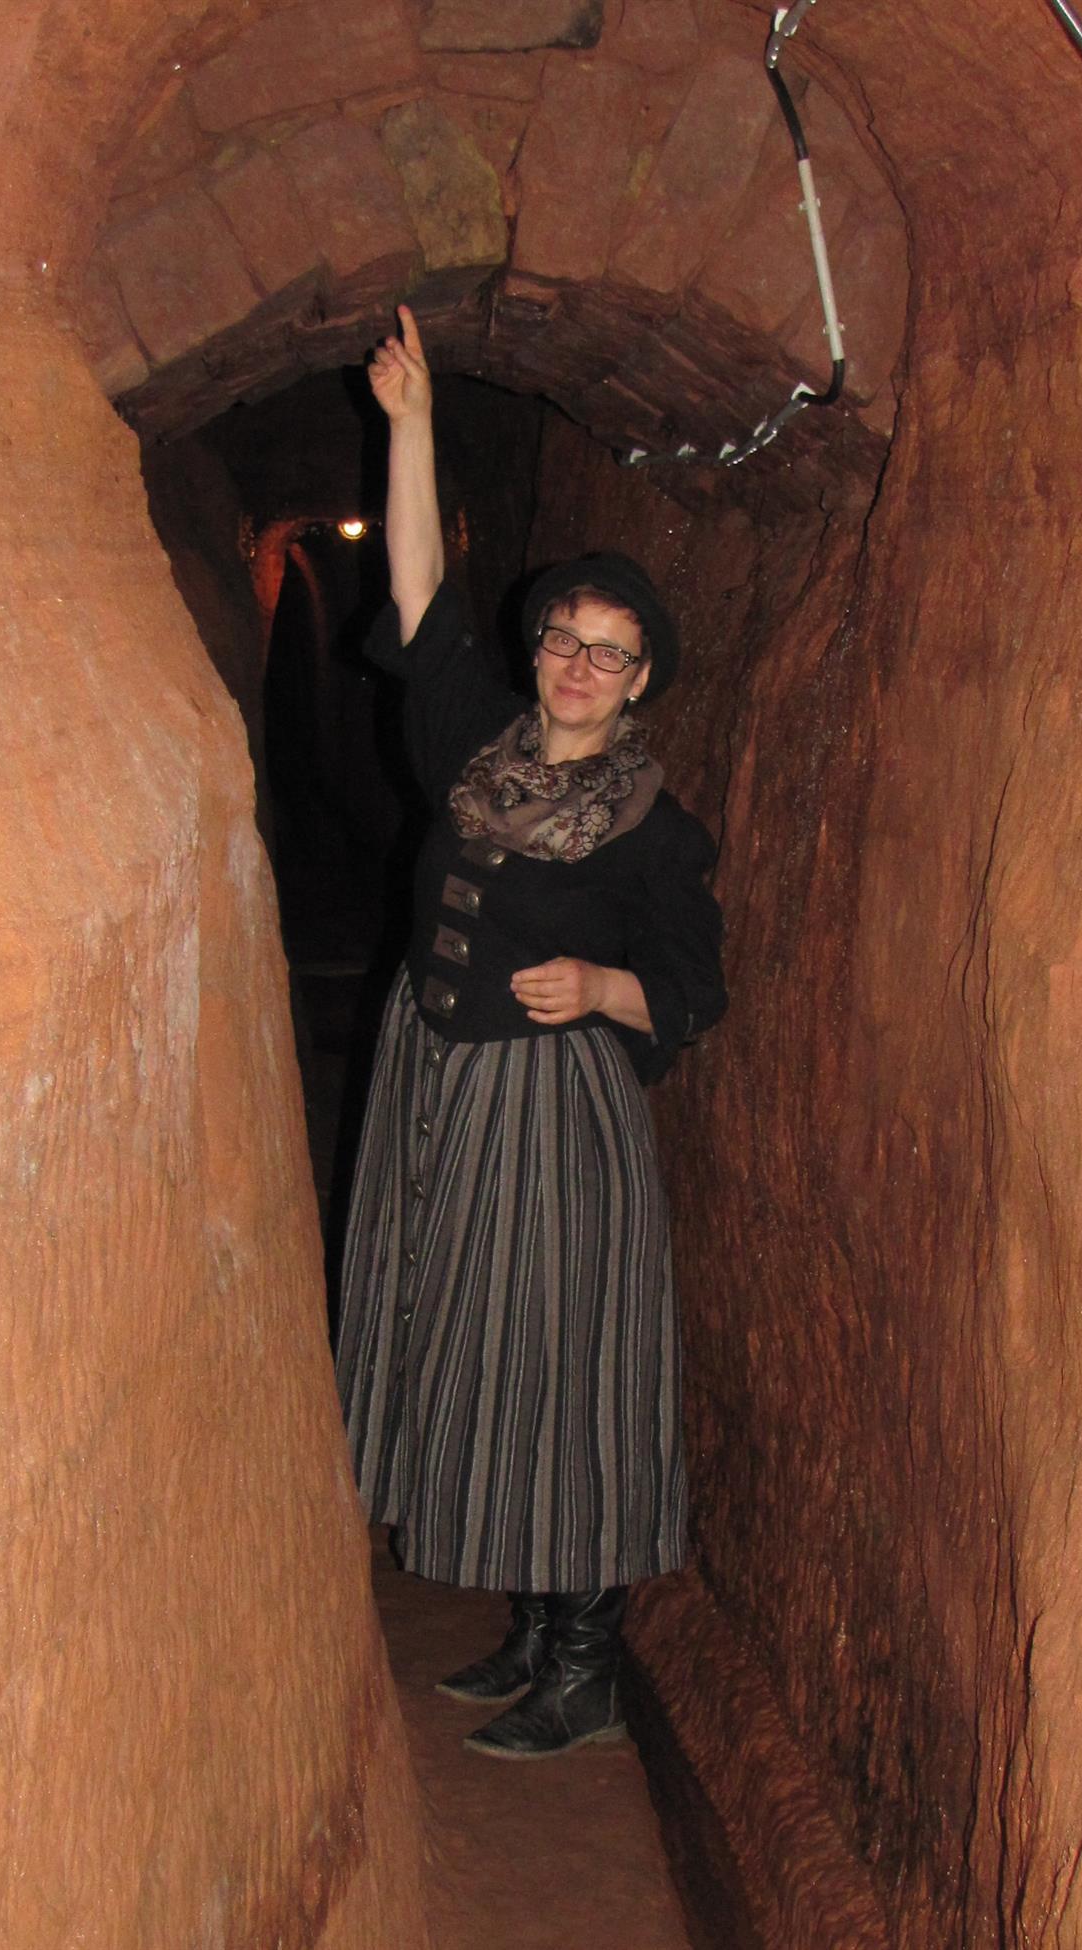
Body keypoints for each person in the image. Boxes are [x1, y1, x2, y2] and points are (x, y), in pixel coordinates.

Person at [332, 306, 726, 1760]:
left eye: (609, 654)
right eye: (565, 636)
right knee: (471, 1343)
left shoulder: (654, 828)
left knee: (559, 1365)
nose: (577, 663)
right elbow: (420, 593)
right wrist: (413, 427)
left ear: (641, 681)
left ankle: (587, 1661)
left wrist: (605, 988)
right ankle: (529, 1623)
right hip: (436, 1082)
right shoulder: (476, 744)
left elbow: (696, 982)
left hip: (551, 1114)